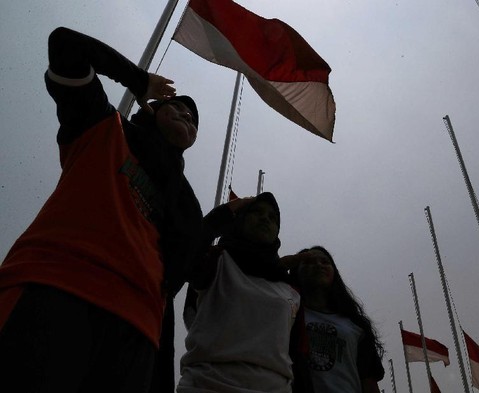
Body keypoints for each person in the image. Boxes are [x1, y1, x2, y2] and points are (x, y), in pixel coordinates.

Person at [0, 27, 203, 393]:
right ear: (151, 110)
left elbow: (180, 274)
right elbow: (65, 44)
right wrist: (138, 80)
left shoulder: (186, 206)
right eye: (178, 107)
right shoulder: (104, 126)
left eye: (193, 120)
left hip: (137, 333)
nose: (188, 116)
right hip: (55, 290)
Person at [179, 192, 310, 393]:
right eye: (256, 212)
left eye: (272, 217)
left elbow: (298, 357)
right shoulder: (216, 261)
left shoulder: (290, 289)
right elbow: (182, 254)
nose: (265, 218)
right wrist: (222, 215)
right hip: (207, 385)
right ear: (239, 219)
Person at [290, 246, 385, 393]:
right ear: (296, 271)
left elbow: (368, 380)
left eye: (325, 262)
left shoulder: (356, 325)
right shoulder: (287, 316)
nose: (318, 265)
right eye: (309, 262)